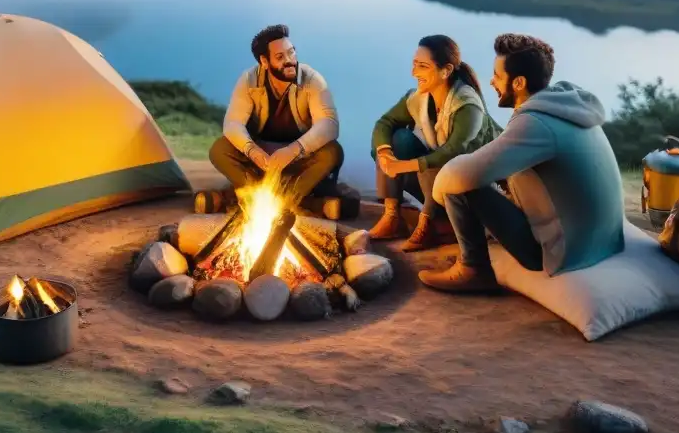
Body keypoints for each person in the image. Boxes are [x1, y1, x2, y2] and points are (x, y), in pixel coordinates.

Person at [421, 33, 626, 293]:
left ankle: (473, 270)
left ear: (518, 83)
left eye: (497, 75)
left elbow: (458, 177)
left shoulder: (536, 124)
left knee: (460, 184)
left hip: (566, 253)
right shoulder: (566, 108)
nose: (491, 81)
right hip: (601, 241)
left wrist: (440, 192)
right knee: (483, 172)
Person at [368, 35, 499, 252]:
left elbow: (453, 152)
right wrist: (385, 154)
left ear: (446, 71)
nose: (414, 72)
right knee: (398, 139)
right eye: (414, 64)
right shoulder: (419, 97)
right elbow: (385, 123)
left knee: (432, 165)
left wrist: (404, 166)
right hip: (440, 182)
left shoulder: (468, 105)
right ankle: (392, 217)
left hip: (474, 186)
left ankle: (430, 223)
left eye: (422, 66)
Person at [206, 24, 344, 210]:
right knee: (219, 149)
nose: (289, 61)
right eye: (280, 57)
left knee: (332, 152)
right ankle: (254, 193)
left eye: (292, 52)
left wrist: (293, 150)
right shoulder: (249, 80)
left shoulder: (311, 79)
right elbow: (233, 124)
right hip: (261, 160)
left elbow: (329, 124)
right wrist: (253, 152)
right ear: (264, 61)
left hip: (299, 159)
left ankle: (282, 202)